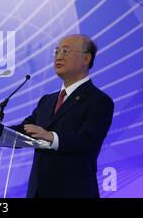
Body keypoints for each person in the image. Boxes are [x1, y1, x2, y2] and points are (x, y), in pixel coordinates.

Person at [11, 34, 114, 198]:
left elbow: (87, 139)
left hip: (74, 192)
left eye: (66, 51)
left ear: (86, 59)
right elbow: (23, 131)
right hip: (38, 192)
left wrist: (51, 137)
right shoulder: (47, 101)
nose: (58, 56)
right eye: (57, 51)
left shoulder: (98, 101)